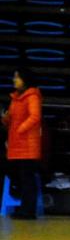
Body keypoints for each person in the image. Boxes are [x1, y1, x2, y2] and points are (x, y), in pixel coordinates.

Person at [2, 68, 43, 219]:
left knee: (27, 179)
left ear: (25, 80)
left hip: (28, 145)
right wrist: (6, 118)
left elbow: (35, 117)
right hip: (16, 144)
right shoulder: (15, 98)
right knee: (20, 177)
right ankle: (24, 208)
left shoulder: (32, 96)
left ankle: (28, 211)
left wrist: (20, 129)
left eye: (17, 77)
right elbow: (11, 119)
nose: (14, 80)